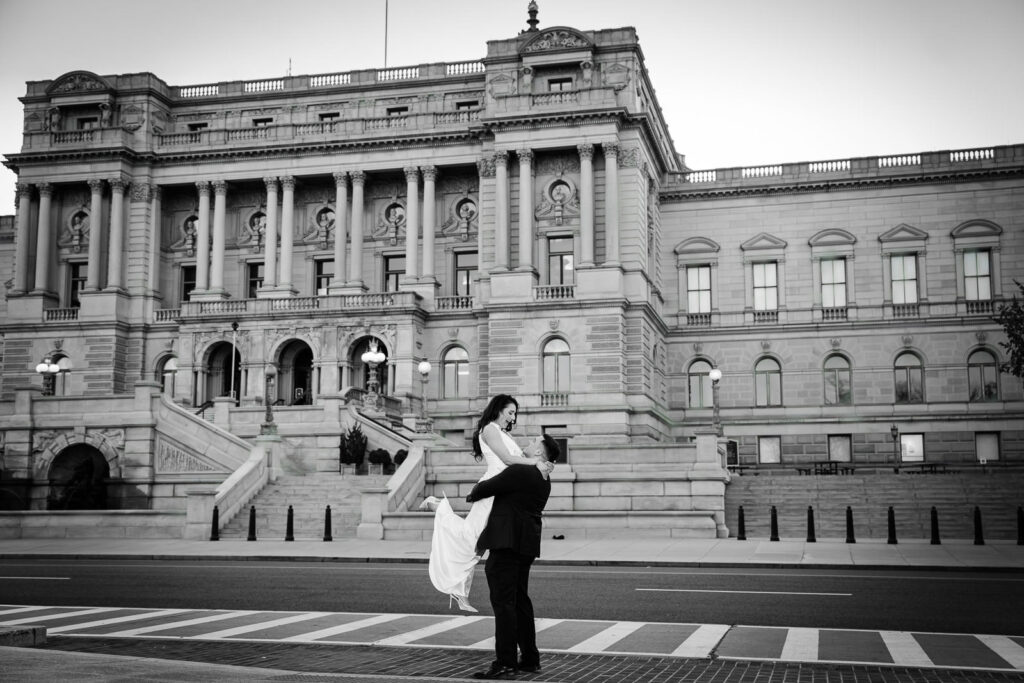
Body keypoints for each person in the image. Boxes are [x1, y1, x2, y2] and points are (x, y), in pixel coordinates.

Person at [421, 395, 551, 612]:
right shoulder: (490, 429)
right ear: (498, 410)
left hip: (503, 490)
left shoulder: (503, 433)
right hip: (493, 489)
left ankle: (460, 591)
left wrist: (539, 464)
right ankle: (438, 506)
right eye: (510, 412)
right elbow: (508, 460)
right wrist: (537, 462)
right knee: (472, 539)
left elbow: (517, 459)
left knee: (478, 544)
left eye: (515, 413)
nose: (513, 417)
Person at [467, 433, 561, 680]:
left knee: (504, 604)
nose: (526, 444)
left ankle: (506, 662)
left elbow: (482, 489)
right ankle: (530, 658)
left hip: (506, 544)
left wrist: (474, 492)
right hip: (527, 545)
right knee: (520, 601)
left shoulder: (521, 471)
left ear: (540, 453)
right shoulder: (544, 477)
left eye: (533, 443)